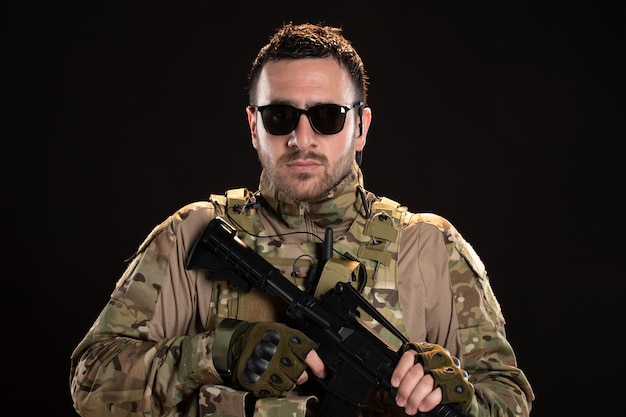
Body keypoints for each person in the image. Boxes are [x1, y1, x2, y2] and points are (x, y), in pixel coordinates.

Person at [69, 22, 534, 417]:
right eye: (280, 116)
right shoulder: (190, 235)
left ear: (361, 128)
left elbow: (509, 397)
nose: (301, 137)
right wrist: (215, 352)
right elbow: (90, 383)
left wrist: (456, 396)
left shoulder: (430, 247)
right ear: (254, 127)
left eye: (328, 116)